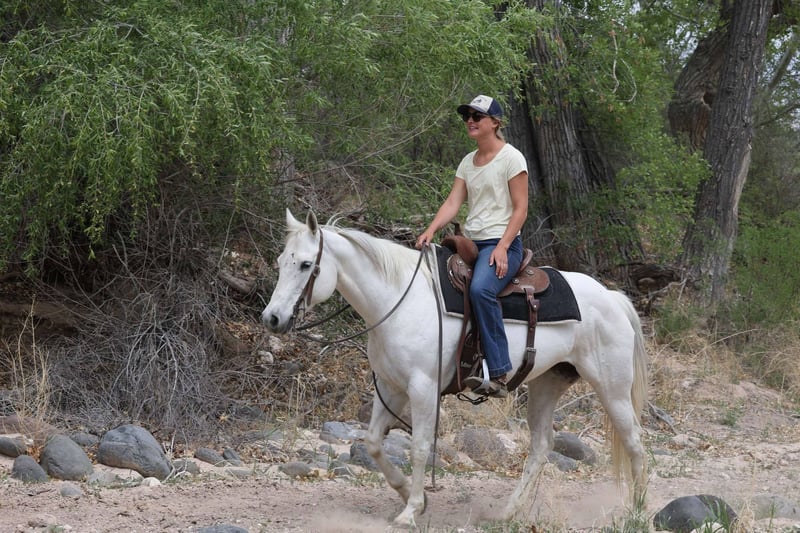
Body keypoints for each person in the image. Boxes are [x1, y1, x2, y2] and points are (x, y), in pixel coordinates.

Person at [416, 95, 529, 398]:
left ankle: (499, 371)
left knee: (480, 290)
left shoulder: (512, 158)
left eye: (477, 116)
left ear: (495, 122)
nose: (470, 121)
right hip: (471, 243)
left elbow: (521, 209)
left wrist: (503, 246)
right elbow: (454, 202)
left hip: (502, 243)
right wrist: (430, 230)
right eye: (467, 115)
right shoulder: (468, 161)